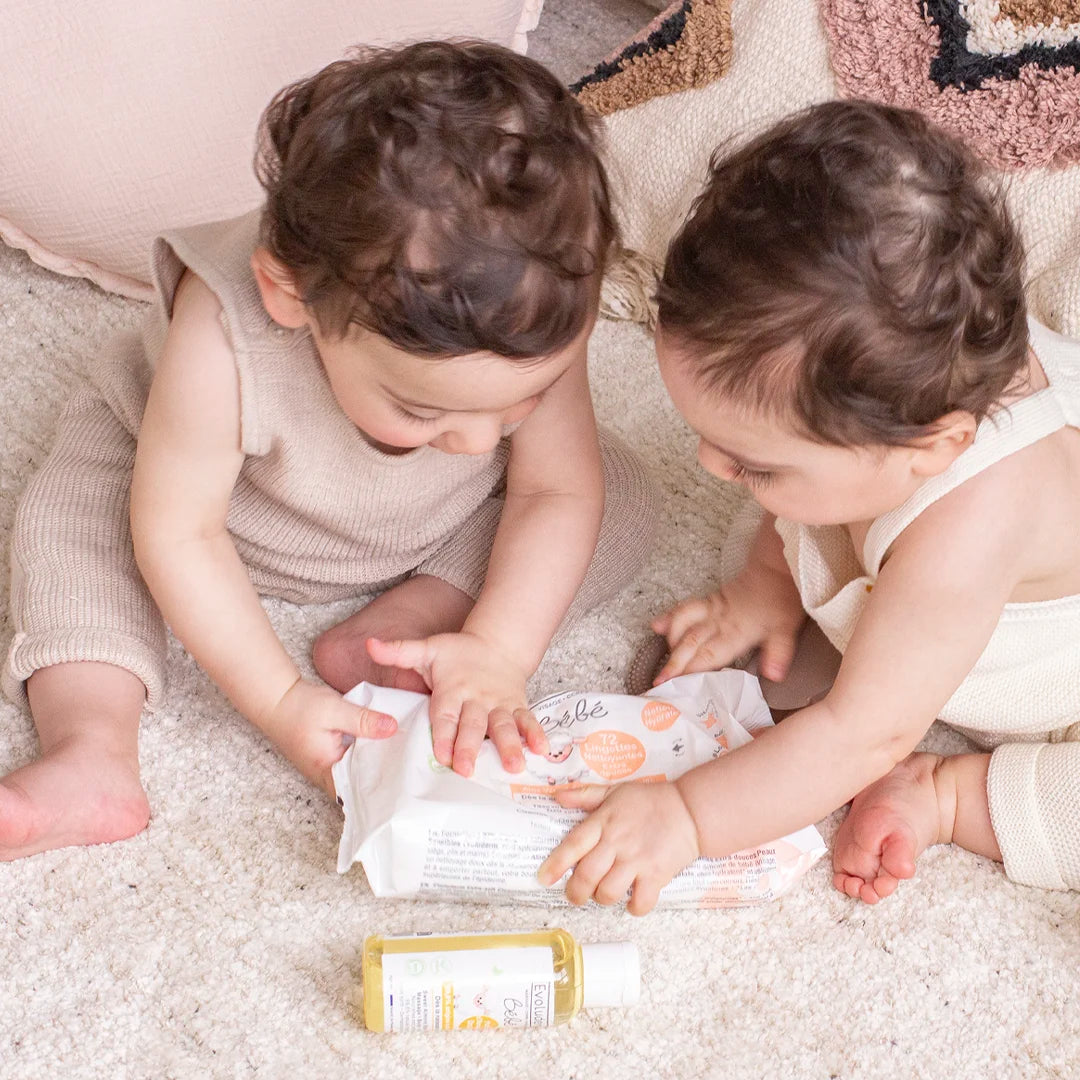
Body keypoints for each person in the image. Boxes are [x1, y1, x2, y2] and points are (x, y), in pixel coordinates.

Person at [1, 41, 656, 861]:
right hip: (201, 509)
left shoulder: (531, 306)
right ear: (291, 296)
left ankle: (407, 627)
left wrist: (498, 650)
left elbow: (553, 492)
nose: (481, 440)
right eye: (423, 408)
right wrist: (281, 700)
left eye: (522, 400)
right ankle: (90, 752)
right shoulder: (221, 332)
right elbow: (180, 533)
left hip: (429, 520)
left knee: (613, 492)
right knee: (75, 519)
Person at [539, 100, 1080, 913]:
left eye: (751, 463)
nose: (708, 466)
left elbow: (863, 733)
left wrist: (687, 817)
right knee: (799, 508)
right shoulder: (905, 376)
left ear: (933, 447)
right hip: (892, 514)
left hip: (1058, 683)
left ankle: (948, 794)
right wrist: (762, 584)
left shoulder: (976, 521)